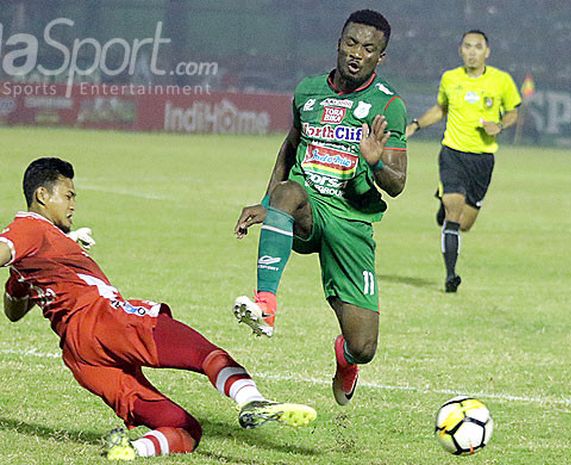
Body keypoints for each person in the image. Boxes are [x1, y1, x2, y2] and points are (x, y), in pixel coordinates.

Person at [0, 158, 316, 461]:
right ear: (42, 195)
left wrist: (51, 255)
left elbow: (13, 311)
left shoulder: (37, 251)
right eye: (68, 195)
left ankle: (132, 451)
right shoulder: (29, 229)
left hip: (81, 356)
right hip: (106, 321)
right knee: (205, 354)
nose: (73, 204)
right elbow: (8, 246)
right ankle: (252, 401)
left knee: (185, 429)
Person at [233, 9, 407, 407]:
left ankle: (345, 362)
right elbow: (291, 146)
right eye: (350, 43)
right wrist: (267, 202)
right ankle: (265, 305)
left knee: (363, 345)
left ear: (380, 58)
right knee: (289, 191)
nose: (356, 54)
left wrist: (377, 160)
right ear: (338, 42)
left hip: (351, 221)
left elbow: (397, 184)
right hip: (307, 207)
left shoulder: (389, 105)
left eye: (368, 48)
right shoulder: (309, 91)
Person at [405, 30, 521, 293]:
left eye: (477, 47)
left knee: (464, 224)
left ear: (487, 52)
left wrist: (500, 125)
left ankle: (444, 204)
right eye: (467, 46)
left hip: (482, 160)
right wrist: (416, 124)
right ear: (460, 50)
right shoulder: (450, 78)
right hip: (452, 154)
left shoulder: (501, 81)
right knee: (454, 214)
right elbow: (441, 109)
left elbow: (513, 112)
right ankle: (451, 276)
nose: (472, 51)